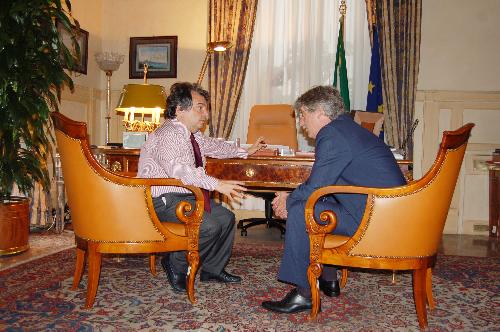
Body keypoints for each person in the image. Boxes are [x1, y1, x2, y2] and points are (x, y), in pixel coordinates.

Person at [262, 86, 406, 313]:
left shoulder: (332, 134)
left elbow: (317, 185)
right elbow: (325, 183)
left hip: (378, 222)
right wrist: (291, 196)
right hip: (385, 214)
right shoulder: (346, 129)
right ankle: (329, 279)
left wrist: (288, 200)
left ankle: (303, 294)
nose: (300, 123)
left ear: (320, 113)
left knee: (301, 210)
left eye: (302, 115)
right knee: (317, 206)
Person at [138, 82, 264, 293]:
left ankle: (212, 270)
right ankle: (175, 264)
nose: (206, 114)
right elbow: (181, 170)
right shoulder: (169, 134)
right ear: (179, 109)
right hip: (163, 200)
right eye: (200, 107)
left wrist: (245, 150)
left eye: (206, 108)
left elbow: (215, 146)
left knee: (226, 218)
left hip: (184, 197)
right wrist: (217, 184)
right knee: (208, 227)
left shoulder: (191, 135)